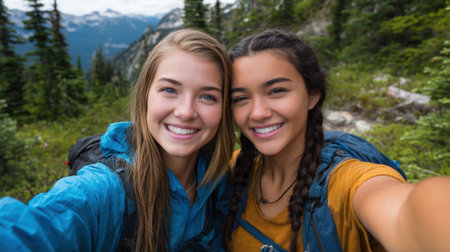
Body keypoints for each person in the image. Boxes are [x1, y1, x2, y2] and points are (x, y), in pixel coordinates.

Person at [0, 29, 234, 252]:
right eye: (170, 90)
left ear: (224, 108)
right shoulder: (105, 191)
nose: (186, 112)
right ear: (145, 96)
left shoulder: (219, 182)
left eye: (207, 96)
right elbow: (31, 231)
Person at [222, 29, 450, 252]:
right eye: (241, 98)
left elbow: (407, 213)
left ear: (312, 94)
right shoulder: (231, 170)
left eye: (276, 91)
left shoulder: (348, 182)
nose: (258, 113)